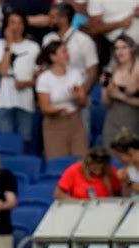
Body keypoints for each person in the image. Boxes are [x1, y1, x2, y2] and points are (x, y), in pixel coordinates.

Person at [43, 3, 99, 138]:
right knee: (55, 143)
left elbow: (92, 70)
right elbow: (44, 68)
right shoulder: (48, 39)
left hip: (78, 102)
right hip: (53, 104)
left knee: (79, 142)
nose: (49, 20)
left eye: (53, 17)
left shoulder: (84, 40)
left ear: (64, 19)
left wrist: (81, 94)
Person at [0, 10, 39, 150]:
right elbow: (3, 71)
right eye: (12, 22)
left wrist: (26, 83)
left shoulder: (33, 47)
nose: (16, 26)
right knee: (5, 144)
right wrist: (9, 45)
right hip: (4, 100)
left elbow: (39, 78)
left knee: (25, 143)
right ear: (6, 25)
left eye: (19, 23)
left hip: (26, 101)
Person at [36, 41, 88, 161]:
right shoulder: (44, 78)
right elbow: (44, 108)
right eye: (63, 52)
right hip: (54, 125)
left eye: (67, 51)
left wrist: (77, 98)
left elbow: (84, 102)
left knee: (80, 163)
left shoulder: (75, 74)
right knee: (58, 163)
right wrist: (62, 109)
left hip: (76, 123)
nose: (67, 54)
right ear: (53, 57)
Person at [101, 35, 139, 149]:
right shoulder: (111, 71)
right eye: (117, 48)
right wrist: (106, 88)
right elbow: (106, 103)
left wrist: (120, 96)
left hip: (133, 122)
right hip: (112, 122)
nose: (120, 51)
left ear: (132, 49)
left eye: (124, 47)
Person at [54, 146, 122, 200]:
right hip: (79, 208)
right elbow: (59, 194)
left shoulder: (111, 172)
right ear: (88, 163)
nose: (98, 167)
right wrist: (80, 204)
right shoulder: (74, 170)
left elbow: (119, 195)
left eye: (101, 164)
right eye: (94, 164)